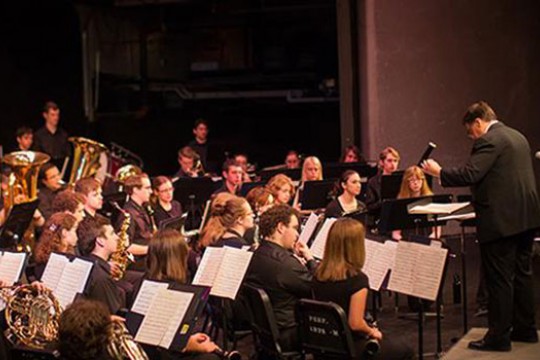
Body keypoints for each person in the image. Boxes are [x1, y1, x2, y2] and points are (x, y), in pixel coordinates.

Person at [422, 100, 540, 351]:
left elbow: (470, 174)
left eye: (470, 131)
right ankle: (526, 330)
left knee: (499, 280)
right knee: (522, 275)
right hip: (527, 217)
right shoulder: (518, 136)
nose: (471, 137)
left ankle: (498, 337)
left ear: (478, 122)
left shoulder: (489, 140)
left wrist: (439, 172)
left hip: (501, 221)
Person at [312, 218, 415, 359]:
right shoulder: (357, 280)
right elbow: (355, 323)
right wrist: (372, 332)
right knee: (406, 351)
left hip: (325, 347)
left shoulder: (318, 274)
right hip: (349, 348)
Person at [139, 229, 224, 360]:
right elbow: (166, 346)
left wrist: (189, 339)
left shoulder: (144, 283)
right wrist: (196, 346)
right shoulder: (170, 292)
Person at [245, 204, 316, 351]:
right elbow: (316, 289)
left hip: (266, 332)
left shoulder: (256, 254)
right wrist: (310, 260)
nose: (297, 234)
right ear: (281, 227)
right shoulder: (286, 264)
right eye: (295, 228)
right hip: (290, 332)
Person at [77, 216, 125, 314]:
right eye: (112, 234)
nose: (117, 237)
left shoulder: (84, 264)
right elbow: (112, 314)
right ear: (100, 241)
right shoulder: (102, 278)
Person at [391, 166, 437, 241]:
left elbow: (436, 231)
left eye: (419, 179)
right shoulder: (400, 202)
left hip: (427, 241)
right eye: (412, 180)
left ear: (423, 181)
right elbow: (395, 234)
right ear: (406, 182)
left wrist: (428, 241)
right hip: (407, 241)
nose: (416, 183)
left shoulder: (430, 200)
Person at [117, 174, 153, 268]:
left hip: (146, 258)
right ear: (136, 190)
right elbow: (125, 247)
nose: (151, 191)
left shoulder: (143, 208)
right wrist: (152, 249)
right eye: (147, 188)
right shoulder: (128, 214)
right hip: (137, 264)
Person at [33, 213, 78, 280]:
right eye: (74, 230)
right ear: (64, 232)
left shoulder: (71, 252)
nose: (76, 235)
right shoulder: (46, 264)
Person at [33, 101, 71, 169]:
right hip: (46, 172)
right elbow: (38, 158)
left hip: (62, 171)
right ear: (45, 115)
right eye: (53, 115)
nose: (56, 118)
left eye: (57, 115)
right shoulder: (38, 135)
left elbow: (68, 156)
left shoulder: (63, 134)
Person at [365, 147, 400, 218]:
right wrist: (384, 201)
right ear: (382, 162)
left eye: (395, 161)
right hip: (381, 217)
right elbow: (370, 207)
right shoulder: (373, 182)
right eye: (389, 161)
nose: (393, 164)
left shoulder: (401, 179)